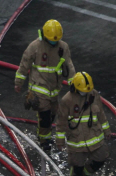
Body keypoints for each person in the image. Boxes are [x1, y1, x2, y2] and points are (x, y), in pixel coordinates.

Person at [15, 20, 75, 152]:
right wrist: (19, 82)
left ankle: (45, 135)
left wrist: (73, 83)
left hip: (54, 89)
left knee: (53, 114)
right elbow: (24, 64)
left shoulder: (63, 47)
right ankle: (44, 140)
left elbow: (69, 65)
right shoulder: (35, 46)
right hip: (39, 87)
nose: (54, 42)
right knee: (45, 115)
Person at [54, 71, 112, 176]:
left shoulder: (93, 94)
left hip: (94, 137)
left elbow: (101, 113)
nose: (85, 93)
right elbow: (61, 122)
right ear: (75, 87)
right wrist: (59, 141)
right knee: (76, 171)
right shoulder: (67, 100)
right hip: (76, 142)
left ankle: (86, 173)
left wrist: (106, 130)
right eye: (83, 90)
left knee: (101, 158)